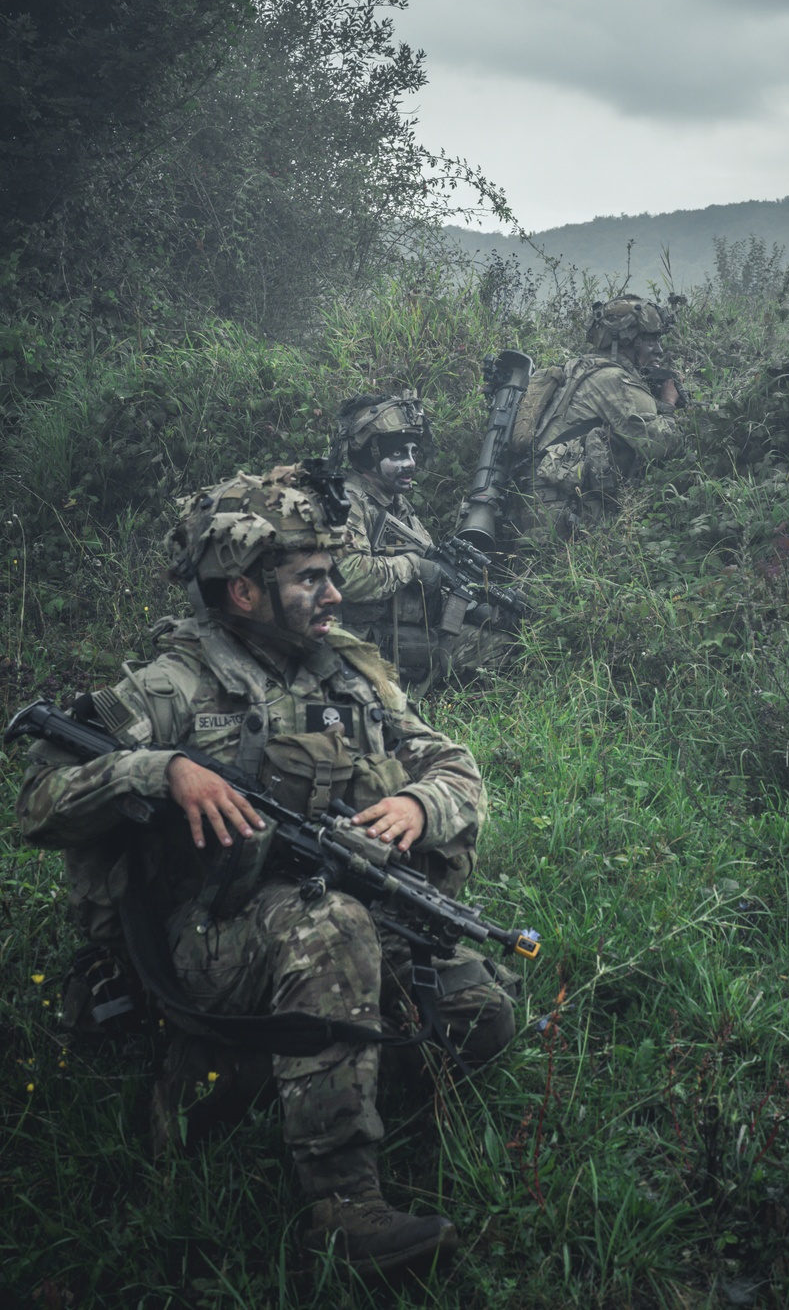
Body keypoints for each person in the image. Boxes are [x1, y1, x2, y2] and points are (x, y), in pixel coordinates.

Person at [14, 465, 515, 1276]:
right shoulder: (172, 687)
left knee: (480, 1015)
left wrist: (420, 806)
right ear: (243, 592)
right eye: (309, 578)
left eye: (330, 574)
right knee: (333, 933)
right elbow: (37, 800)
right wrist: (158, 771)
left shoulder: (344, 672)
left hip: (337, 896)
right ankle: (343, 1208)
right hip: (210, 931)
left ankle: (270, 1070)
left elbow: (454, 764)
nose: (333, 595)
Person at [335, 391, 513, 693]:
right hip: (360, 648)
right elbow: (349, 575)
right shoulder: (345, 502)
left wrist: (479, 607)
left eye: (414, 452)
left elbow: (434, 574)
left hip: (406, 639)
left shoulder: (398, 506)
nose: (410, 463)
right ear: (370, 456)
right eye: (398, 454)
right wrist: (414, 566)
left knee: (503, 645)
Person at [508, 295, 686, 543]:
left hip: (540, 502)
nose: (659, 349)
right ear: (626, 342)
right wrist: (668, 404)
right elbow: (657, 444)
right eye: (650, 341)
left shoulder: (581, 368)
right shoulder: (614, 379)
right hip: (561, 510)